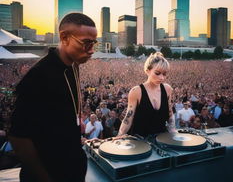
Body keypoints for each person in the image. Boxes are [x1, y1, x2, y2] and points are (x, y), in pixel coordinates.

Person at [9, 13, 97, 182]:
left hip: (73, 168)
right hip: (50, 173)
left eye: (93, 43)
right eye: (86, 43)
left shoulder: (74, 65)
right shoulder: (37, 77)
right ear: (64, 37)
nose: (91, 50)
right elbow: (18, 138)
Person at [118, 52, 175, 137]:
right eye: (157, 73)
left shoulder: (168, 89)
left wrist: (173, 132)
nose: (161, 78)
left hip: (161, 140)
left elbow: (170, 114)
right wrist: (119, 136)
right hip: (140, 142)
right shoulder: (136, 91)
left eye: (164, 74)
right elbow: (128, 118)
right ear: (147, 71)